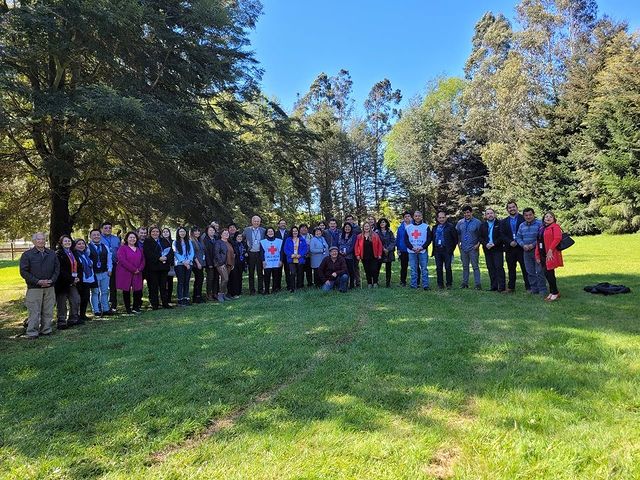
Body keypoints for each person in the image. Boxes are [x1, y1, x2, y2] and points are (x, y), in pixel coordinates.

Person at [19, 232, 60, 339]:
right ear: (34, 241)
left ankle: (46, 330)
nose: (41, 241)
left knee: (48, 310)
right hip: (34, 288)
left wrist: (51, 280)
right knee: (34, 311)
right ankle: (32, 332)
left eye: (43, 239)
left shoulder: (52, 254)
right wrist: (38, 281)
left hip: (50, 287)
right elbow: (24, 272)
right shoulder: (27, 255)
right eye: (38, 239)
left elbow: (57, 269)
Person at [517, 208, 547, 297]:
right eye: (526, 215)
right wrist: (523, 245)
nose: (528, 217)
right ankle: (534, 289)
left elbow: (541, 238)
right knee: (530, 271)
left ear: (533, 214)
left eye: (530, 215)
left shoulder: (540, 224)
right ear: (524, 216)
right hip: (526, 251)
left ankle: (542, 289)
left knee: (540, 271)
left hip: (537, 251)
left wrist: (532, 245)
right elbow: (518, 237)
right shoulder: (521, 225)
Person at [500, 200, 529, 293]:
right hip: (510, 248)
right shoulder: (503, 221)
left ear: (516, 207)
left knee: (525, 268)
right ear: (507, 210)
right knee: (511, 268)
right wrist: (509, 242)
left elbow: (527, 232)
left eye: (513, 207)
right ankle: (511, 287)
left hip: (522, 247)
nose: (512, 209)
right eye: (509, 208)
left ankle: (529, 287)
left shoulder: (524, 218)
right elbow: (502, 234)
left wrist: (518, 241)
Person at [54, 235, 83, 329]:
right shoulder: (58, 254)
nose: (67, 243)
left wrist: (77, 277)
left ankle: (73, 318)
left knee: (75, 299)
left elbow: (79, 266)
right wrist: (71, 279)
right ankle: (61, 321)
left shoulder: (73, 253)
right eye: (65, 241)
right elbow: (60, 270)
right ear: (61, 243)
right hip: (62, 282)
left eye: (69, 241)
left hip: (73, 281)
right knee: (62, 302)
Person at [536, 212, 564, 301]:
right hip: (542, 253)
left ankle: (555, 292)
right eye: (546, 216)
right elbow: (538, 242)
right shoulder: (542, 228)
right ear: (543, 218)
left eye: (550, 217)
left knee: (550, 273)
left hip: (550, 254)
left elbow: (557, 238)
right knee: (547, 273)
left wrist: (550, 250)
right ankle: (552, 292)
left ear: (554, 218)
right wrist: (537, 255)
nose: (548, 218)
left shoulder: (555, 227)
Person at [143, 226, 173, 310]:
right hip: (153, 268)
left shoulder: (164, 241)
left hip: (163, 267)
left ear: (159, 232)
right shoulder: (147, 241)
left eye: (157, 231)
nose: (155, 233)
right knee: (153, 287)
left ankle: (165, 303)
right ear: (150, 233)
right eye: (153, 231)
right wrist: (158, 258)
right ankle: (154, 304)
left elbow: (170, 252)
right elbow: (147, 253)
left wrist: (166, 258)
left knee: (163, 286)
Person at [116, 232, 145, 314]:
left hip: (137, 273)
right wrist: (133, 269)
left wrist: (139, 269)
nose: (132, 239)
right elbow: (122, 260)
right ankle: (128, 309)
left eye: (134, 237)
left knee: (137, 290)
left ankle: (136, 307)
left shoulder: (139, 249)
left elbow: (143, 260)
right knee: (126, 290)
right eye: (130, 237)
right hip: (126, 272)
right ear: (126, 239)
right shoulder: (122, 248)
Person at [479, 208, 506, 292]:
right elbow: (480, 237)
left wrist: (494, 243)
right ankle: (493, 286)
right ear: (485, 216)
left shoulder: (500, 223)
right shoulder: (483, 225)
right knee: (490, 267)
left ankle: (501, 287)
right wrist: (486, 244)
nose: (490, 215)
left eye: (491, 213)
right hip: (487, 249)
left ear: (494, 214)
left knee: (499, 267)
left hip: (497, 248)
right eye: (488, 213)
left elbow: (502, 236)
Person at [456, 205, 482, 289]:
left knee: (475, 266)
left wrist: (478, 244)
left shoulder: (477, 222)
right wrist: (459, 244)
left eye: (468, 212)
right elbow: (457, 234)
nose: (466, 214)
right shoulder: (460, 222)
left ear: (471, 212)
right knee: (465, 266)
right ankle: (464, 283)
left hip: (473, 248)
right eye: (464, 213)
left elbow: (481, 235)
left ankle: (478, 284)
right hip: (463, 248)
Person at [404, 210, 431, 290]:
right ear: (413, 217)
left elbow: (429, 239)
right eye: (416, 216)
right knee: (413, 269)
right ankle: (413, 285)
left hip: (422, 251)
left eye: (419, 216)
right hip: (412, 251)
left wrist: (422, 247)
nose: (417, 217)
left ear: (421, 217)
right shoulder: (408, 228)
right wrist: (412, 248)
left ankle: (425, 285)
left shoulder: (426, 227)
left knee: (424, 269)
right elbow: (406, 240)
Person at [431, 211, 458, 289]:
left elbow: (455, 239)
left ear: (446, 218)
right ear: (437, 218)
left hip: (447, 250)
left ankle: (449, 284)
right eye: (440, 218)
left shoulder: (450, 227)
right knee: (438, 268)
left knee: (448, 267)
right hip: (437, 250)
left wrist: (451, 249)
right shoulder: (434, 227)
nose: (441, 219)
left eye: (443, 217)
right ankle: (440, 284)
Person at [88, 228, 112, 316]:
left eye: (98, 235)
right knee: (95, 292)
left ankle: (106, 309)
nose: (96, 236)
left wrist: (110, 269)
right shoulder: (87, 248)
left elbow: (109, 259)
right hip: (94, 273)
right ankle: (96, 310)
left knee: (105, 291)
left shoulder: (105, 246)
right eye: (94, 235)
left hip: (105, 272)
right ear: (90, 237)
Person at [354, 221, 383, 288]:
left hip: (374, 255)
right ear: (363, 228)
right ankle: (369, 283)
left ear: (370, 227)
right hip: (364, 256)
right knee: (367, 270)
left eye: (367, 226)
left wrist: (379, 254)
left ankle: (375, 282)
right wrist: (357, 254)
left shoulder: (375, 235)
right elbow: (356, 246)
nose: (366, 227)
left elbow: (380, 245)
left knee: (374, 269)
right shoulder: (359, 236)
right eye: (365, 226)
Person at [101, 221, 121, 313]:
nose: (108, 229)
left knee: (113, 286)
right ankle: (101, 305)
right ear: (102, 229)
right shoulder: (98, 238)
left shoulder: (116, 239)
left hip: (115, 265)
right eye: (105, 228)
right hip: (102, 266)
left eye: (109, 227)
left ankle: (113, 304)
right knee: (102, 287)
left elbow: (120, 251)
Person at [74, 238, 95, 323]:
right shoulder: (75, 255)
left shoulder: (85, 254)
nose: (81, 245)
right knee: (78, 299)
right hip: (79, 279)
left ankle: (83, 314)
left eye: (83, 244)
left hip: (87, 279)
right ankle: (76, 315)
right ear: (75, 246)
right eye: (79, 244)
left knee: (85, 297)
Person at [244, 216, 266, 295]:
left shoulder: (263, 230)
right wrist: (245, 250)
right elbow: (242, 240)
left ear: (260, 222)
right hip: (251, 253)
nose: (256, 223)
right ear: (252, 221)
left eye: (258, 221)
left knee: (260, 272)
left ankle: (260, 289)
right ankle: (252, 290)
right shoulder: (247, 230)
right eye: (255, 221)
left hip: (259, 253)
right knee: (251, 272)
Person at [173, 226, 194, 306]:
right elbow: (176, 253)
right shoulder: (175, 242)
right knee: (181, 281)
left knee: (186, 281)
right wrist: (184, 262)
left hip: (189, 263)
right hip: (179, 264)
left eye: (184, 231)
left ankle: (186, 297)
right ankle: (180, 299)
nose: (182, 233)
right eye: (181, 231)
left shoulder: (189, 241)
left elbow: (192, 252)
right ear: (178, 233)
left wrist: (188, 261)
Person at [283, 225, 308, 292]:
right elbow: (285, 249)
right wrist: (291, 255)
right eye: (293, 231)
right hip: (291, 259)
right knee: (293, 273)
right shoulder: (288, 239)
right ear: (291, 232)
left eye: (296, 231)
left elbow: (305, 248)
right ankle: (292, 287)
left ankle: (299, 286)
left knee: (300, 273)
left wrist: (300, 255)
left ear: (298, 231)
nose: (295, 232)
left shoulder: (302, 239)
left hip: (300, 258)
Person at [214, 229, 236, 302]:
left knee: (225, 280)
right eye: (224, 233)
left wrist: (232, 264)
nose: (226, 234)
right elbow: (217, 254)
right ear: (221, 235)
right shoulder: (218, 242)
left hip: (229, 264)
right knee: (225, 279)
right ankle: (220, 294)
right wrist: (221, 263)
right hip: (221, 264)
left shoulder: (229, 242)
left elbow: (232, 254)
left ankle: (224, 295)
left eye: (227, 233)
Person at [260, 227, 283, 295]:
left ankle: (274, 289)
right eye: (269, 231)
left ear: (274, 232)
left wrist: (281, 260)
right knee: (267, 276)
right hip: (267, 262)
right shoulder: (263, 242)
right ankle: (266, 290)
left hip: (276, 261)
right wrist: (263, 261)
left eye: (271, 231)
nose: (270, 233)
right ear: (266, 233)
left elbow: (281, 252)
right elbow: (261, 252)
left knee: (275, 276)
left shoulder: (279, 241)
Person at [396, 211, 413, 287]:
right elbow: (398, 238)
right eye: (405, 217)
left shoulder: (414, 226)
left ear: (411, 217)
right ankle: (403, 281)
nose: (407, 218)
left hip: (413, 249)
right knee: (403, 266)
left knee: (415, 266)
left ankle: (416, 281)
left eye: (408, 216)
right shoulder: (400, 228)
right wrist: (398, 249)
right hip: (403, 249)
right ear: (403, 218)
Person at [377, 218, 396, 288]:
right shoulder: (377, 232)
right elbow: (377, 242)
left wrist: (388, 249)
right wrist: (383, 249)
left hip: (389, 252)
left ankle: (388, 283)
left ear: (386, 223)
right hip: (380, 252)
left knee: (388, 268)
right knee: (377, 267)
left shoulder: (390, 231)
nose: (382, 223)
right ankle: (376, 282)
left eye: (384, 222)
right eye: (381, 222)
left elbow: (393, 241)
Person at [202, 225, 219, 301]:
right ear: (207, 232)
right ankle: (209, 294)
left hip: (217, 262)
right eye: (210, 230)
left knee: (216, 278)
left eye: (213, 230)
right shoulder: (205, 240)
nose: (212, 232)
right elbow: (206, 253)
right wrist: (209, 264)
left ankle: (215, 293)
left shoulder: (216, 239)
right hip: (210, 263)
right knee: (210, 278)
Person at [228, 232, 247, 298]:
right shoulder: (233, 244)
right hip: (234, 263)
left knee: (239, 278)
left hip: (241, 263)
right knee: (234, 278)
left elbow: (244, 252)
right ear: (235, 237)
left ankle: (239, 292)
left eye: (241, 237)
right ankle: (234, 293)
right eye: (238, 236)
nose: (239, 238)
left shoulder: (243, 244)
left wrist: (245, 254)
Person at [338, 222, 357, 288]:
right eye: (346, 227)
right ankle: (343, 285)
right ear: (344, 228)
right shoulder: (340, 235)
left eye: (349, 227)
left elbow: (353, 246)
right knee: (342, 270)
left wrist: (347, 252)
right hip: (340, 256)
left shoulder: (354, 235)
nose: (347, 228)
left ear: (351, 228)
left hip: (349, 256)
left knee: (350, 270)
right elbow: (338, 244)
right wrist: (339, 252)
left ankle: (351, 285)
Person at [190, 227, 206, 303]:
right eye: (195, 231)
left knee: (200, 280)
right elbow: (193, 254)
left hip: (201, 262)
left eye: (198, 231)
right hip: (196, 264)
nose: (197, 233)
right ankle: (196, 297)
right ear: (192, 233)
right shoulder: (192, 241)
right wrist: (198, 263)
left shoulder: (199, 240)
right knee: (199, 280)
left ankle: (198, 295)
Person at [274, 219, 290, 292]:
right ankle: (277, 287)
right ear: (278, 225)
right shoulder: (275, 233)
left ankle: (289, 286)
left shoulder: (289, 233)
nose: (283, 224)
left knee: (288, 270)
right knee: (278, 271)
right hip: (277, 255)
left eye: (284, 223)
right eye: (281, 223)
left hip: (287, 254)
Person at [162, 227, 175, 304]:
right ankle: (164, 298)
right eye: (164, 232)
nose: (166, 233)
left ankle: (169, 298)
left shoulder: (173, 241)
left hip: (171, 264)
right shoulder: (160, 242)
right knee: (164, 282)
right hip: (163, 264)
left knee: (170, 282)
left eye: (167, 231)